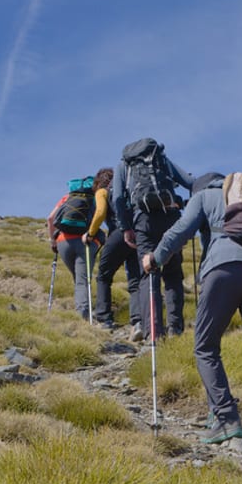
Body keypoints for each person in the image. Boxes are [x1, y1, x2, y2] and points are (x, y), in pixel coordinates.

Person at [142, 172, 242, 452]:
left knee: (205, 347)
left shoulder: (203, 197)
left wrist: (155, 257)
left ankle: (226, 419)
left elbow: (181, 230)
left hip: (223, 269)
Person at [111, 138, 193, 340]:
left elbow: (118, 198)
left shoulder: (124, 165)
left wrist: (126, 228)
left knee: (149, 273)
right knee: (173, 274)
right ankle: (176, 329)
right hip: (171, 220)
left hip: (143, 221)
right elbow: (190, 182)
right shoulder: (161, 160)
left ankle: (153, 333)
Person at [88, 168, 141, 334]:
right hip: (138, 233)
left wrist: (90, 234)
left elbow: (100, 212)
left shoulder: (102, 191)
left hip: (119, 233)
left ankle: (104, 319)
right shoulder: (127, 189)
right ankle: (138, 321)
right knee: (135, 279)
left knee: (104, 275)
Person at [46, 178, 98, 321]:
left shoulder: (67, 198)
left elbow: (51, 219)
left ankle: (81, 309)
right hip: (85, 242)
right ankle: (83, 315)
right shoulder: (94, 198)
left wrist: (53, 241)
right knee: (83, 280)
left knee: (78, 278)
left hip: (63, 242)